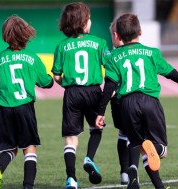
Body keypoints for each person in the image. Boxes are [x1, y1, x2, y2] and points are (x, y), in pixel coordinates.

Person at [95, 13, 178, 189]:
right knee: (159, 149)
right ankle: (157, 150)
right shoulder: (152, 53)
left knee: (138, 144)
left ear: (118, 36)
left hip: (127, 104)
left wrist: (100, 112)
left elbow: (109, 86)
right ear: (141, 32)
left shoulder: (113, 57)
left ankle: (140, 181)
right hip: (150, 102)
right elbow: (171, 72)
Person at [0, 15, 54, 189]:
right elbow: (46, 82)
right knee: (29, 148)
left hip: (4, 109)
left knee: (9, 148)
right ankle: (28, 186)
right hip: (25, 108)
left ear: (5, 35)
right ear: (26, 35)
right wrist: (50, 79)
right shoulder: (32, 58)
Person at [51, 2, 110, 189]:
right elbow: (111, 69)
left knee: (70, 137)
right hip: (93, 92)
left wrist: (67, 84)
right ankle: (89, 158)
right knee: (96, 128)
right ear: (83, 22)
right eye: (89, 18)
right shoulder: (100, 43)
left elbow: (57, 76)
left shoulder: (62, 46)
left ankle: (71, 178)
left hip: (72, 93)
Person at [109, 19, 140, 185]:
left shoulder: (111, 55)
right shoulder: (133, 52)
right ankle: (132, 169)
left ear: (116, 35)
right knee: (134, 135)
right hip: (132, 99)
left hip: (116, 100)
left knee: (123, 133)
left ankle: (124, 172)